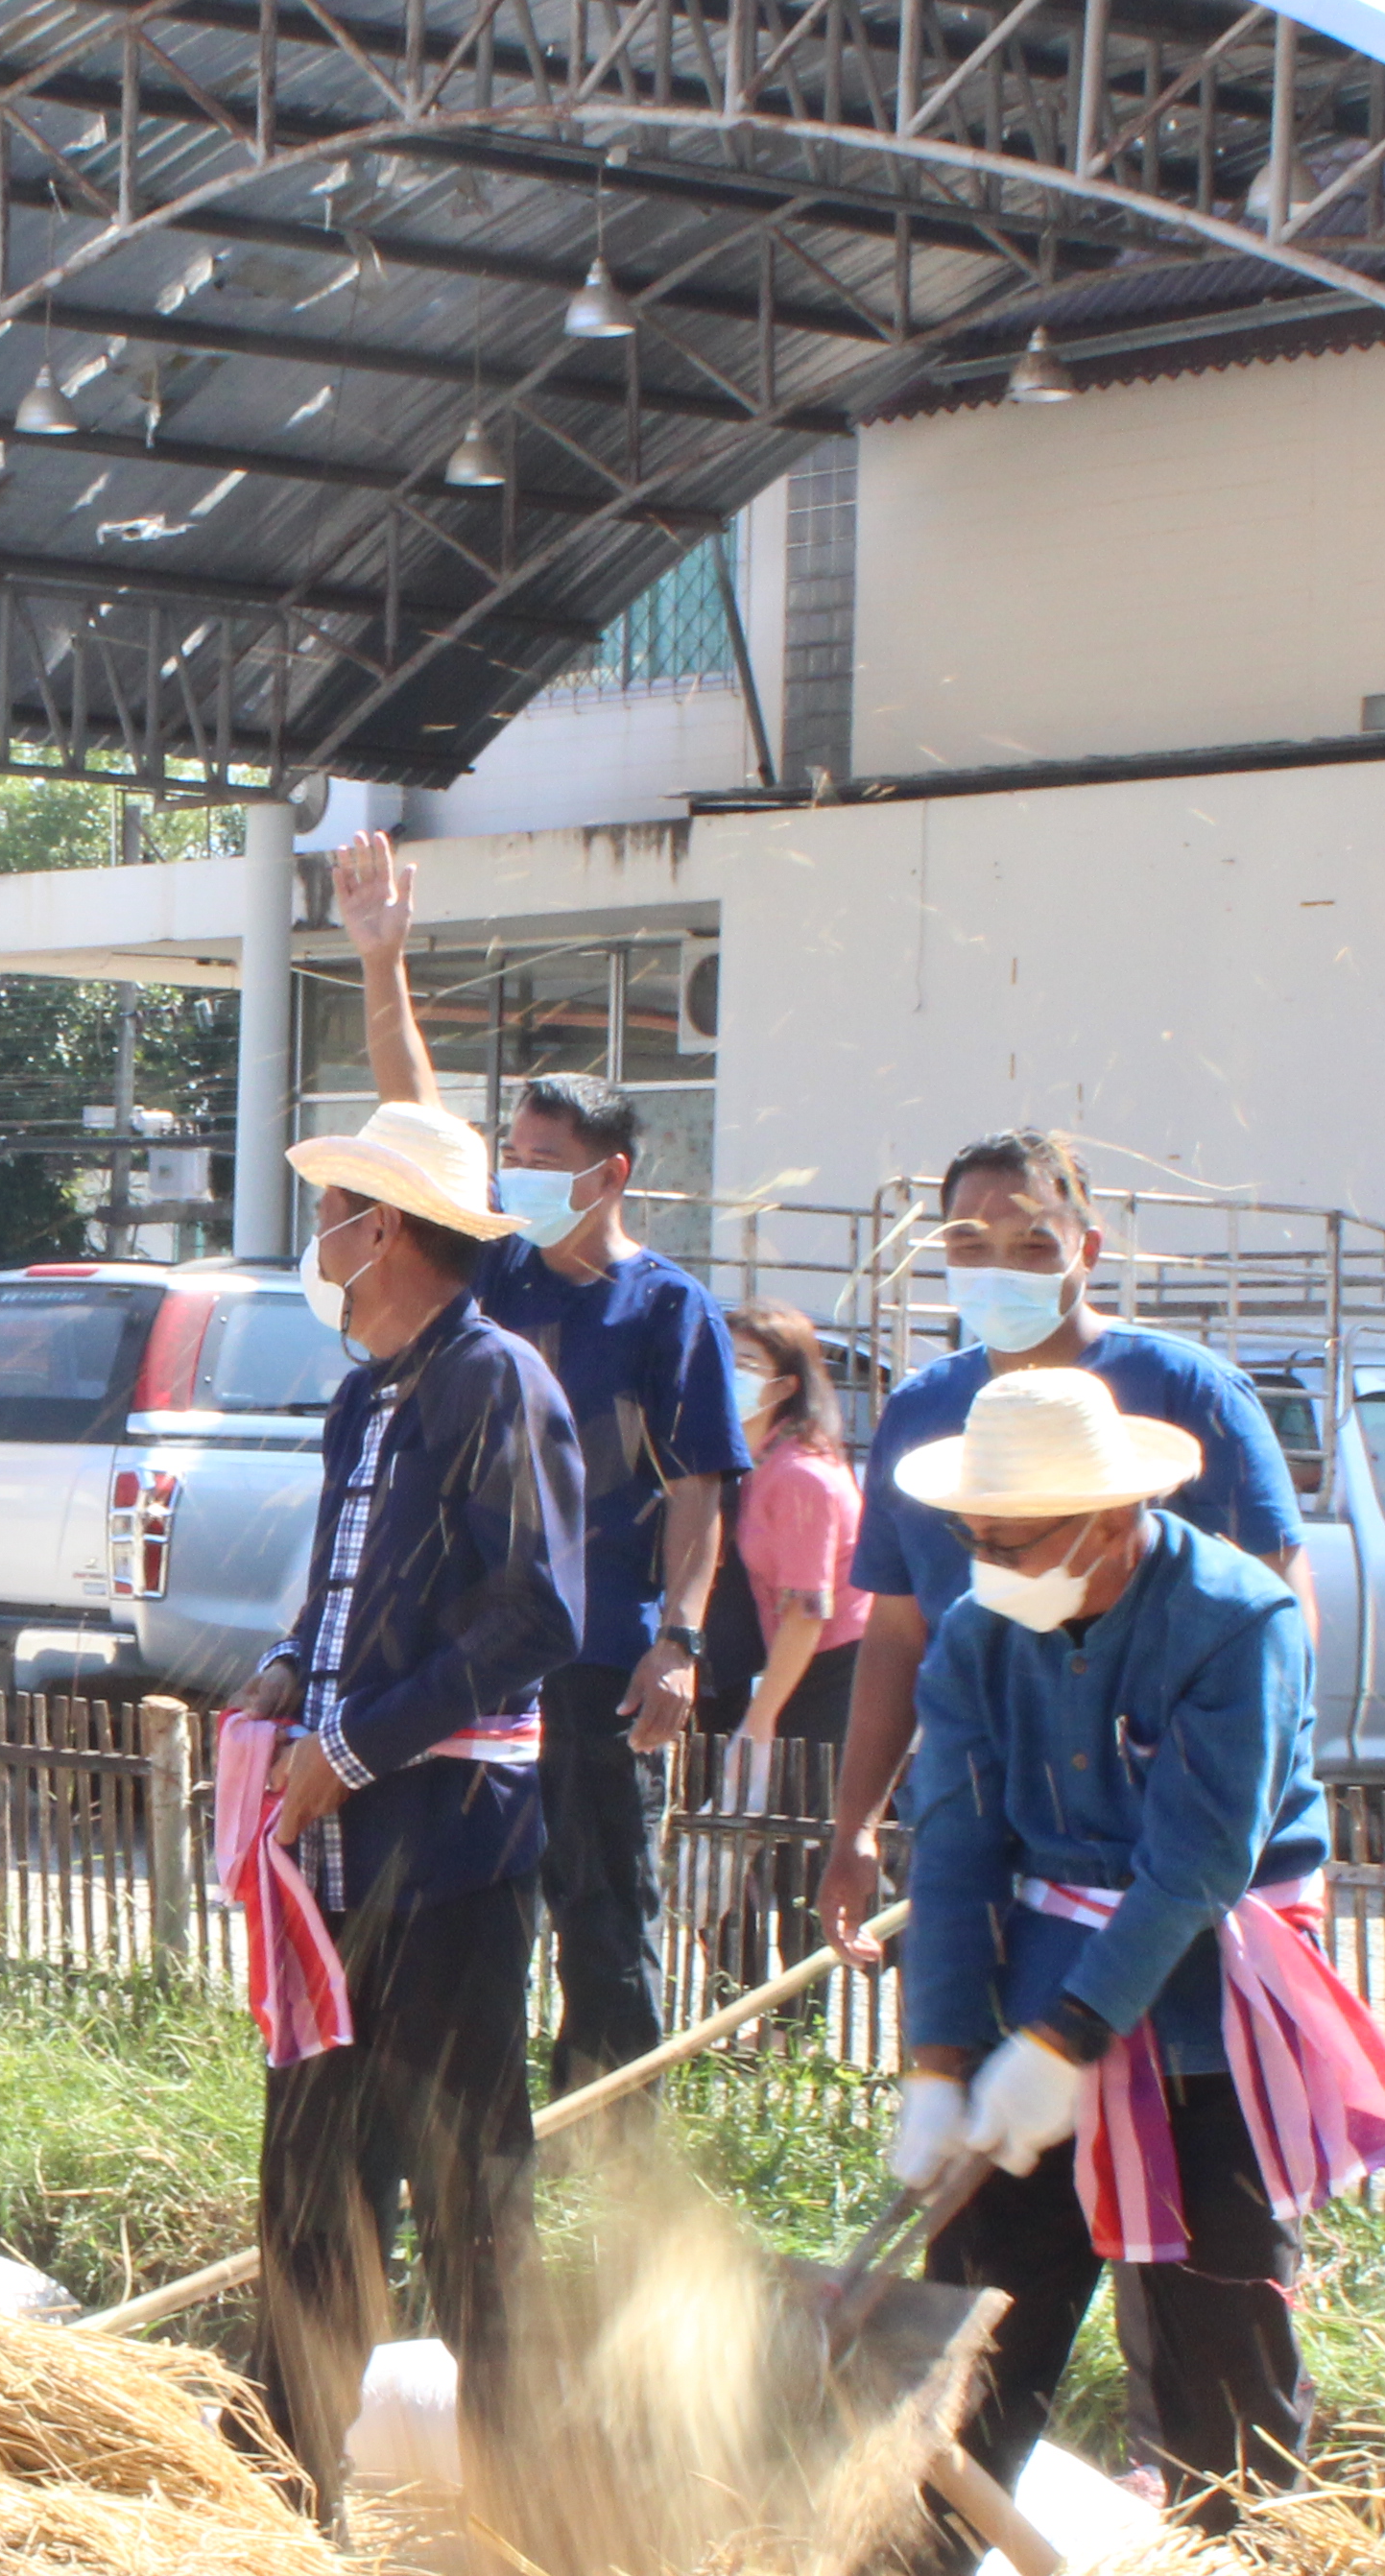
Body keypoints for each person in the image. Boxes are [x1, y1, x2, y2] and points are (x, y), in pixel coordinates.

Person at [885, 1368, 1385, 2528]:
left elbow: (1196, 1864)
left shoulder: (1235, 1622)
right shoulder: (981, 1636)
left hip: (1203, 2003)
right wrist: (940, 2057)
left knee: (1219, 2345)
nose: (991, 1563)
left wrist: (1072, 2038)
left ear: (1109, 1521)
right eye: (973, 1538)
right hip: (1034, 1973)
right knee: (975, 2331)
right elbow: (953, 1849)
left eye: (1016, 1541)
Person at [334, 836, 743, 2099]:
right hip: (477, 1667)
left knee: (608, 1927)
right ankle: (477, 2133)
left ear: (609, 1176)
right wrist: (383, 959)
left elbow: (698, 1492)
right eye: (510, 1153)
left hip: (606, 1664)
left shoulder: (668, 1313)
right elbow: (417, 1122)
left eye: (542, 1159)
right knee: (476, 1923)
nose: (514, 1173)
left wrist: (678, 1642)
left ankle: (620, 2160)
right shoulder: (498, 1272)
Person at [226, 1101, 586, 2518]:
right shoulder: (366, 1397)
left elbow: (535, 1615)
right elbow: (345, 1594)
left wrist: (358, 1742)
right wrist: (281, 1674)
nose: (319, 1242)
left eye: (332, 1214)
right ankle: (282, 2493)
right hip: (337, 1858)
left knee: (468, 2202)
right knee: (307, 2184)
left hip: (448, 1852)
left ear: (380, 1229)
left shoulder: (493, 1382)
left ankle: (523, 2525)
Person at [816, 1127, 1311, 1967]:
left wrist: (1222, 1801)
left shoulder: (1189, 1393)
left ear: (1088, 1248)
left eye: (1032, 1243)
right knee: (974, 2069)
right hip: (982, 1817)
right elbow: (898, 1634)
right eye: (971, 1244)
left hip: (1158, 1843)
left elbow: (1278, 1613)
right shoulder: (921, 1412)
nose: (998, 1265)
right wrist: (855, 1824)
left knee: (1168, 2085)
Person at [722, 1303, 868, 1758]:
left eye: (745, 1363)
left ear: (785, 1386)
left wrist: (759, 1717)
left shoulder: (800, 1475)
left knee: (802, 1818)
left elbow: (807, 1611)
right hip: (801, 1666)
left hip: (834, 1672)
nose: (726, 1372)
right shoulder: (757, 1464)